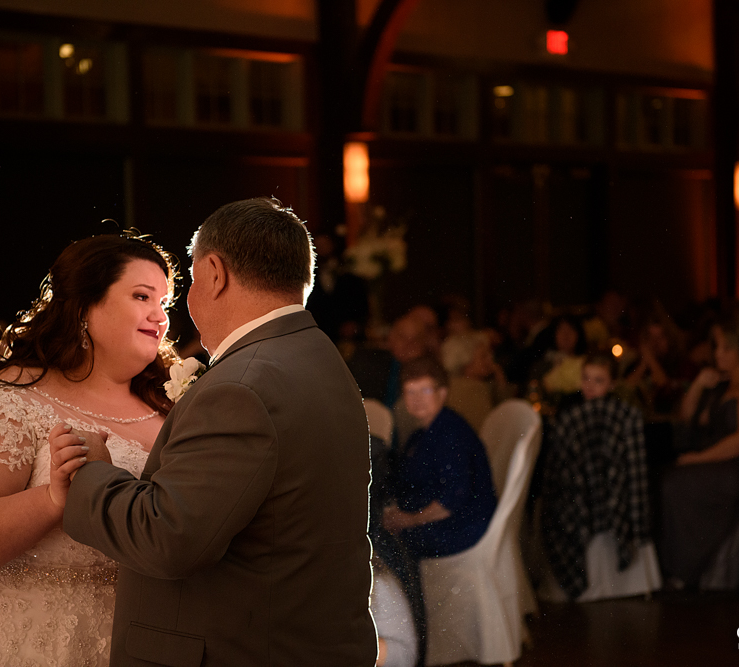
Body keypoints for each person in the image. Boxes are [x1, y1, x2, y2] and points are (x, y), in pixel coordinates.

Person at [58, 198, 378, 666]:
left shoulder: (242, 385)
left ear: (215, 272)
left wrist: (92, 473)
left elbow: (169, 538)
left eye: (187, 279)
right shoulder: (321, 359)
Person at [0, 231, 179, 666]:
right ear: (84, 307)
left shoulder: (175, 407)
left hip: (141, 642)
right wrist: (49, 501)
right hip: (19, 646)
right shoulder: (9, 402)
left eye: (166, 303)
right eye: (142, 296)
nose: (160, 317)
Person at [659, 319, 739, 588]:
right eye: (716, 347)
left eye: (726, 349)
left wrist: (697, 459)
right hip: (729, 457)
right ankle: (677, 568)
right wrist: (697, 385)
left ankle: (686, 571)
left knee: (676, 484)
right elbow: (688, 417)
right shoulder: (724, 382)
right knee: (668, 477)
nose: (718, 354)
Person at [540, 352, 651, 598]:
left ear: (612, 384)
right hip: (582, 498)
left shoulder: (624, 416)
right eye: (586, 379)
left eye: (598, 380)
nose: (589, 386)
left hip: (613, 497)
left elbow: (635, 470)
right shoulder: (570, 417)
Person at [383, 357, 497, 560]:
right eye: (410, 391)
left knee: (383, 539)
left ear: (442, 393)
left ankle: (409, 592)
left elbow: (454, 497)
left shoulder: (451, 434)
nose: (417, 399)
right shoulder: (422, 434)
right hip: (440, 520)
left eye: (425, 390)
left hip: (460, 527)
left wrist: (410, 520)